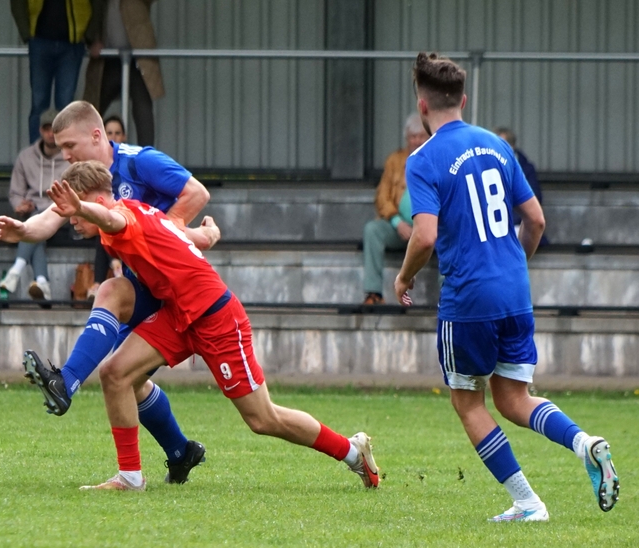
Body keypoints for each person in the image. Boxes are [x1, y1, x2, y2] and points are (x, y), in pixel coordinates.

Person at [47, 161, 381, 491]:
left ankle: (352, 452)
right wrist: (207, 233)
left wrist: (85, 209)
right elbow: (172, 238)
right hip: (178, 315)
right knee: (115, 374)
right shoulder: (134, 212)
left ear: (97, 201)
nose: (71, 219)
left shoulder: (120, 216)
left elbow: (112, 218)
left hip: (215, 316)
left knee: (262, 419)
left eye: (75, 210)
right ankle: (130, 477)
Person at [393, 52, 618, 521]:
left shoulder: (424, 159)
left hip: (468, 298)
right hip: (516, 293)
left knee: (467, 401)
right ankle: (583, 442)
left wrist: (405, 275)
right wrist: (513, 268)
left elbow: (426, 234)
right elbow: (535, 220)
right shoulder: (498, 146)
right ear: (464, 99)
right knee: (514, 398)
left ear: (423, 107)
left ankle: (527, 502)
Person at [0, 100, 219, 483]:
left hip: (174, 287)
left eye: (69, 146)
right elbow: (52, 216)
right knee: (125, 376)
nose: (63, 154)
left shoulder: (140, 162)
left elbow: (197, 193)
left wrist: (170, 232)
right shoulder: (87, 177)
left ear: (97, 136)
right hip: (145, 282)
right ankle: (181, 451)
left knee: (113, 302)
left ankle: (67, 384)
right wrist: (24, 231)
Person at [0, 108, 69, 303]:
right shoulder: (26, 157)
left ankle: (16, 270)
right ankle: (42, 283)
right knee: (34, 226)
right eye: (47, 129)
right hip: (32, 216)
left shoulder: (70, 157)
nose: (50, 134)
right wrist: (19, 205)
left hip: (61, 219)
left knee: (34, 225)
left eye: (54, 130)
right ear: (40, 130)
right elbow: (15, 193)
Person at [360, 113, 428, 304]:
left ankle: (448, 297)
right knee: (372, 230)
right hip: (401, 229)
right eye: (412, 137)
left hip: (429, 228)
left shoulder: (436, 159)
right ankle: (374, 293)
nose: (416, 141)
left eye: (420, 136)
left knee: (450, 237)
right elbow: (382, 197)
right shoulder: (395, 161)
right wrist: (397, 222)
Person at [11, 0, 98, 143]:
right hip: (40, 41)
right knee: (38, 104)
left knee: (66, 105)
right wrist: (26, 32)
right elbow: (17, 3)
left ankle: (64, 155)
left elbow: (99, 4)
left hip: (72, 43)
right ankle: (36, 155)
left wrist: (89, 34)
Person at [84, 0, 162, 147]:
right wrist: (91, 41)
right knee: (91, 110)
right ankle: (86, 156)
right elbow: (89, 19)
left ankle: (147, 159)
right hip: (106, 61)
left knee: (143, 110)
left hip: (137, 62)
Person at [89, 114, 127, 299]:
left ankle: (97, 283)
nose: (113, 137)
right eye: (109, 133)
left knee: (106, 225)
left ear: (124, 137)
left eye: (117, 133)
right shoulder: (94, 166)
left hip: (125, 219)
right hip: (100, 222)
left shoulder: (130, 163)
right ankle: (115, 267)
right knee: (102, 225)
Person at [495, 126, 548, 246]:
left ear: (512, 146)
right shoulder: (485, 168)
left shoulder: (526, 169)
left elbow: (534, 205)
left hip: (517, 224)